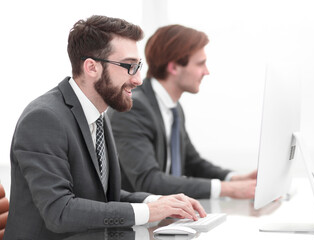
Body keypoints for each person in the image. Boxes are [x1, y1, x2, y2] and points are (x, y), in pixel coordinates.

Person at [4, 16, 206, 240]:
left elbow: (100, 196)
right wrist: (149, 212)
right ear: (92, 67)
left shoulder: (98, 114)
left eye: (138, 66)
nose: (138, 79)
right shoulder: (44, 119)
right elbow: (59, 211)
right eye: (129, 66)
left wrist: (155, 201)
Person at [108, 24, 257, 199]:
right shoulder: (132, 108)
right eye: (200, 64)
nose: (206, 72)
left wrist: (235, 179)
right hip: (135, 220)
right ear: (174, 67)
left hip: (166, 216)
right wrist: (228, 190)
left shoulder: (173, 108)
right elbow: (149, 181)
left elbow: (193, 163)